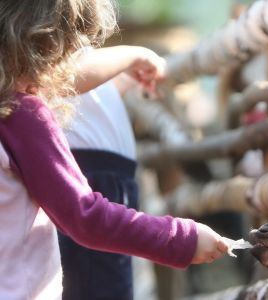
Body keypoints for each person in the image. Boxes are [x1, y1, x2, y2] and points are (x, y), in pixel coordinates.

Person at [0, 1, 228, 299]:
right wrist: (181, 238)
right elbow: (86, 217)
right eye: (68, 50)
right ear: (42, 43)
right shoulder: (21, 113)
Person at [59, 47, 156, 300]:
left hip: (99, 175)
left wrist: (115, 83)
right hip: (87, 176)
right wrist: (135, 55)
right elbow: (64, 73)